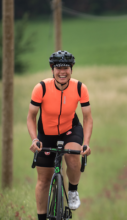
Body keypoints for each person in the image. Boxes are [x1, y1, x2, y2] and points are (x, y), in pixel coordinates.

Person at [26, 50, 93, 220]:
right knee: (43, 180)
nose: (62, 72)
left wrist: (86, 143)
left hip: (70, 130)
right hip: (46, 134)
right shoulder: (41, 88)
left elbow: (87, 118)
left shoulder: (79, 88)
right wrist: (34, 139)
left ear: (72, 68)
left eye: (66, 67)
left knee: (72, 157)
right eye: (58, 67)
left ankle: (72, 191)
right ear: (52, 69)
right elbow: (31, 117)